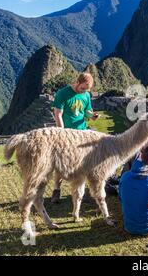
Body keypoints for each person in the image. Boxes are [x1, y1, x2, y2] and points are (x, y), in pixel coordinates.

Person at [50, 72, 99, 203]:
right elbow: (58, 114)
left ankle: (86, 190)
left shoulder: (86, 95)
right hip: (67, 134)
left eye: (86, 89)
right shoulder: (63, 93)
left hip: (82, 134)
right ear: (77, 82)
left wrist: (92, 116)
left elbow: (86, 111)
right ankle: (56, 189)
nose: (83, 91)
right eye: (82, 88)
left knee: (85, 162)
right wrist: (62, 132)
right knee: (62, 163)